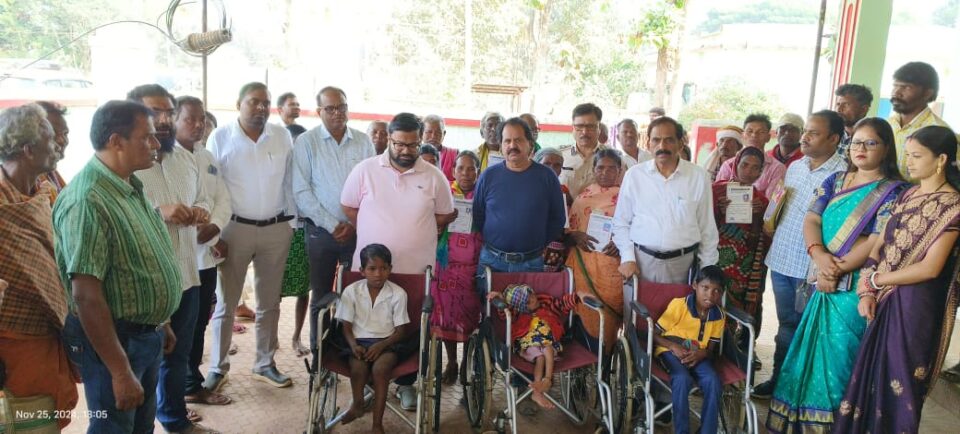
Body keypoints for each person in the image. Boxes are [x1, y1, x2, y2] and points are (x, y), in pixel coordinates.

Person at [766, 117, 907, 433]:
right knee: (809, 353)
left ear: (886, 148)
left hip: (855, 289)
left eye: (871, 143)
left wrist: (836, 268)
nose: (861, 148)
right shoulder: (836, 180)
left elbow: (876, 240)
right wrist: (818, 255)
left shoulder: (894, 192)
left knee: (841, 358)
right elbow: (812, 219)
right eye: (856, 142)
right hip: (821, 277)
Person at [54, 100, 181, 433]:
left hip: (144, 335)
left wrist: (161, 321)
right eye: (147, 137)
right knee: (113, 427)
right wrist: (120, 371)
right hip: (116, 341)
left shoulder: (129, 186)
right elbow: (86, 297)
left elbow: (143, 260)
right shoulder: (88, 200)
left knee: (140, 425)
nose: (156, 144)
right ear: (116, 141)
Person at [834, 125, 960, 434]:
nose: (909, 162)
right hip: (882, 297)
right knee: (870, 375)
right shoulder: (908, 194)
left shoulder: (952, 206)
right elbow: (879, 244)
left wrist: (877, 281)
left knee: (901, 381)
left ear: (941, 159)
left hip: (916, 304)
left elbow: (930, 268)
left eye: (917, 156)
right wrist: (867, 289)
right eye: (907, 155)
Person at [340, 112, 455, 410]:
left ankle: (405, 384)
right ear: (389, 139)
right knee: (367, 325)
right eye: (399, 144)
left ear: (421, 141)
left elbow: (444, 214)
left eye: (412, 145)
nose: (406, 150)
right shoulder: (365, 170)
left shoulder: (434, 176)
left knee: (410, 329)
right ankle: (368, 384)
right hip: (371, 272)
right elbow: (349, 207)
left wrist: (413, 229)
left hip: (414, 273)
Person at [127, 84, 216, 432]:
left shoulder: (185, 159)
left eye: (168, 112)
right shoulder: (128, 165)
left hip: (187, 276)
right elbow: (119, 217)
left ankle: (174, 419)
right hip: (147, 283)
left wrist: (200, 211)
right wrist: (159, 211)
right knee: (144, 363)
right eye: (155, 112)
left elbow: (204, 198)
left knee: (178, 356)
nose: (163, 120)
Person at [205, 82, 297, 391]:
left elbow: (290, 179)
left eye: (265, 103)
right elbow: (212, 187)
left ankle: (264, 363)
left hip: (276, 229)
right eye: (253, 102)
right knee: (226, 303)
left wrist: (291, 224)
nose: (260, 108)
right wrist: (216, 230)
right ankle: (218, 367)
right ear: (238, 104)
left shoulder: (281, 135)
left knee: (270, 302)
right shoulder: (220, 137)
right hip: (234, 229)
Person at [755, 110, 848, 398]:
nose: (804, 137)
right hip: (782, 258)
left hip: (811, 266)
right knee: (786, 324)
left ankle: (798, 389)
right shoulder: (795, 167)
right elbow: (781, 204)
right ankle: (779, 381)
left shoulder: (843, 174)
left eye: (813, 133)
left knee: (806, 328)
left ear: (834, 139)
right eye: (805, 131)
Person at [0, 103, 77, 430]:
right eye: (50, 138)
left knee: (46, 420)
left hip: (48, 338)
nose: (58, 145)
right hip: (11, 347)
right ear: (29, 150)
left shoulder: (45, 192)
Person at [293, 86, 374, 359]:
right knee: (321, 297)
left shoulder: (363, 142)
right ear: (319, 112)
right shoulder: (306, 142)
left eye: (342, 107)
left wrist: (354, 223)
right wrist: (332, 224)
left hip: (357, 232)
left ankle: (349, 354)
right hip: (321, 232)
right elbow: (301, 191)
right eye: (330, 108)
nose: (337, 113)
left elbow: (371, 187)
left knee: (356, 295)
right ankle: (321, 358)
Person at [174, 96, 233, 408]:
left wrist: (216, 228)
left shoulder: (207, 156)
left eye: (202, 120)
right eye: (190, 119)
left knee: (198, 324)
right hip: (178, 259)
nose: (198, 125)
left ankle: (190, 384)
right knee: (177, 328)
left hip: (204, 259)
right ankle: (174, 395)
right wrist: (206, 232)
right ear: (174, 119)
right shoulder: (162, 159)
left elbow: (221, 198)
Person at [613, 116, 719, 285]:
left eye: (669, 140)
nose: (662, 146)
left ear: (680, 144)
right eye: (656, 140)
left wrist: (707, 269)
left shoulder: (699, 177)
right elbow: (621, 222)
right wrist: (627, 257)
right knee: (639, 304)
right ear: (648, 144)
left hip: (683, 265)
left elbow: (707, 227)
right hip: (640, 263)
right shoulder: (634, 176)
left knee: (681, 304)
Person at [335, 244, 414, 434]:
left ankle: (377, 424)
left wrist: (382, 345)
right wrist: (353, 345)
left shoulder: (398, 294)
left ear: (390, 269)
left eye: (383, 268)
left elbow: (401, 331)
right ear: (362, 271)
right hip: (358, 342)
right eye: (372, 268)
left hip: (388, 343)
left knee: (381, 370)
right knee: (358, 368)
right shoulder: (351, 291)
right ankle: (358, 404)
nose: (378, 274)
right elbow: (346, 326)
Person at [474, 118, 566, 278]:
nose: (512, 146)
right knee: (486, 296)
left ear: (530, 143)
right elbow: (478, 215)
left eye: (518, 140)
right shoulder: (488, 176)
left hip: (531, 263)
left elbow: (557, 218)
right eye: (507, 141)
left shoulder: (547, 176)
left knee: (530, 297)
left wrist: (536, 243)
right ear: (501, 146)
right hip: (491, 261)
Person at [487, 284, 590, 409]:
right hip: (529, 345)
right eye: (528, 302)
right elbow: (505, 312)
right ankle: (538, 391)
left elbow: (562, 304)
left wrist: (578, 295)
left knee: (547, 348)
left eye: (531, 295)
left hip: (548, 342)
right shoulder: (519, 313)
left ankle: (546, 381)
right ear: (522, 307)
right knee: (540, 358)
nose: (532, 300)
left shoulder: (547, 304)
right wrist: (500, 297)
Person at [431, 150, 484, 385]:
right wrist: (442, 223)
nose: (465, 173)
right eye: (461, 168)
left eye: (471, 169)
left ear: (478, 172)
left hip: (472, 267)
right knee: (446, 317)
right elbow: (430, 224)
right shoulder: (444, 195)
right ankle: (451, 362)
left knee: (470, 316)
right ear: (453, 171)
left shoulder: (483, 196)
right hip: (445, 267)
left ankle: (466, 363)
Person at [565, 148, 624, 354]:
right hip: (584, 267)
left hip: (612, 269)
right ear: (593, 169)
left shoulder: (627, 197)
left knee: (607, 319)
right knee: (584, 312)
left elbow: (636, 231)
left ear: (619, 170)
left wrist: (620, 243)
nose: (605, 172)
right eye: (600, 168)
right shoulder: (583, 196)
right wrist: (575, 236)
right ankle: (585, 358)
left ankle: (606, 361)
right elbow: (569, 231)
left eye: (611, 168)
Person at [654, 265, 726, 434]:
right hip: (670, 350)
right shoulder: (679, 305)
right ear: (695, 285)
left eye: (716, 291)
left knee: (713, 380)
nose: (710, 295)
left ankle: (707, 431)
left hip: (699, 355)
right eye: (705, 288)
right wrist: (673, 346)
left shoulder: (719, 316)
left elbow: (710, 350)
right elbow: (654, 335)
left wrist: (702, 354)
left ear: (722, 293)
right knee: (681, 378)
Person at [712, 146, 770, 353]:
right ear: (735, 165)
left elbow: (758, 242)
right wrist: (719, 211)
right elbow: (703, 226)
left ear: (761, 172)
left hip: (742, 267)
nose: (748, 171)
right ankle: (709, 345)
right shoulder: (716, 191)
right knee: (711, 301)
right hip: (715, 260)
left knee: (734, 308)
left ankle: (730, 351)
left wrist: (756, 217)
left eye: (755, 168)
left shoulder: (761, 201)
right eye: (745, 165)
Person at [888, 62, 952, 180]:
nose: (896, 92)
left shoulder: (939, 132)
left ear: (927, 93)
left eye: (906, 87)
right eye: (895, 86)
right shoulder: (888, 124)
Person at [716, 113, 787, 199]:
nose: (754, 135)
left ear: (768, 137)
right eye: (750, 131)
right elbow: (717, 195)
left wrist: (759, 202)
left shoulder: (778, 168)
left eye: (761, 132)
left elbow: (773, 202)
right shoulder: (728, 165)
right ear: (743, 136)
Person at [559, 103, 609, 198]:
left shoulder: (612, 158)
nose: (585, 132)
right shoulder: (559, 155)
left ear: (599, 128)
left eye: (591, 127)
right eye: (579, 126)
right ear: (573, 128)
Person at [35, 101, 69, 197]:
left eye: (65, 133)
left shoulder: (50, 173)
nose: (62, 140)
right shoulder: (25, 183)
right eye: (53, 133)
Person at [834, 83, 873, 152]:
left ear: (864, 109)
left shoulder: (871, 137)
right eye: (838, 104)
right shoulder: (832, 133)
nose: (839, 109)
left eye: (846, 104)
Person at [422, 114, 459, 180]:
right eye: (429, 132)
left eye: (438, 132)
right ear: (421, 133)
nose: (433, 136)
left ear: (444, 134)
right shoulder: (414, 155)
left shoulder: (454, 154)